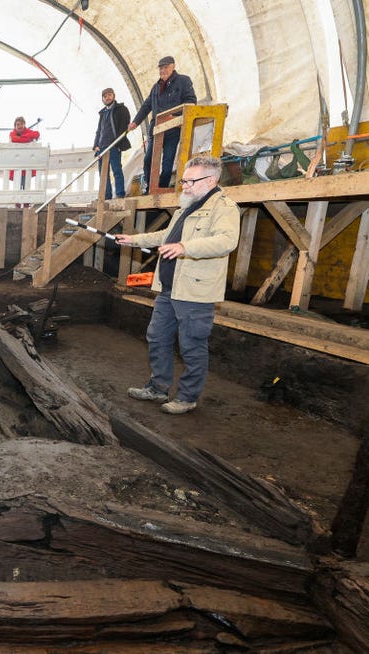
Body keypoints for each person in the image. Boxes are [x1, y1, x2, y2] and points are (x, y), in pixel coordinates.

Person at [115, 156, 239, 415]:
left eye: (190, 181)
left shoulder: (224, 207)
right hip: (169, 288)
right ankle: (158, 388)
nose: (185, 185)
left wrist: (186, 247)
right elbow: (166, 236)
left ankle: (187, 397)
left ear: (210, 181)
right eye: (184, 180)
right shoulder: (187, 207)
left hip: (195, 292)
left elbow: (226, 240)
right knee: (157, 337)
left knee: (192, 344)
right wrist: (133, 240)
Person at [129, 56, 196, 193]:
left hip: (173, 129)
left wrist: (176, 116)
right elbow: (146, 106)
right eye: (161, 68)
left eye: (166, 67)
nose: (163, 70)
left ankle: (163, 188)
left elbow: (191, 102)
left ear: (173, 66)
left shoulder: (183, 81)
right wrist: (136, 122)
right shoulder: (156, 87)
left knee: (167, 163)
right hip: (157, 129)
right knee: (148, 160)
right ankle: (150, 187)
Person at [93, 88, 132, 199]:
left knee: (116, 170)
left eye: (109, 95)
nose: (107, 97)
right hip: (102, 147)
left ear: (113, 96)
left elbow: (124, 127)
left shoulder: (121, 109)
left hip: (114, 145)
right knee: (103, 174)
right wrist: (96, 145)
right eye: (105, 96)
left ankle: (120, 194)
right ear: (103, 99)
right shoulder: (102, 113)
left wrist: (119, 143)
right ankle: (107, 195)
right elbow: (99, 130)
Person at [9, 116, 40, 193]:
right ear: (15, 126)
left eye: (21, 124)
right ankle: (18, 204)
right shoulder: (12, 133)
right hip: (16, 164)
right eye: (18, 124)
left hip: (27, 164)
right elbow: (14, 138)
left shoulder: (28, 131)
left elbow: (37, 134)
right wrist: (27, 138)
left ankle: (26, 204)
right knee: (17, 188)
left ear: (24, 124)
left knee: (26, 187)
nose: (20, 126)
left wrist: (22, 137)